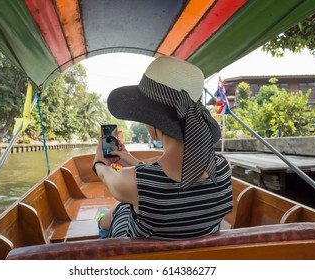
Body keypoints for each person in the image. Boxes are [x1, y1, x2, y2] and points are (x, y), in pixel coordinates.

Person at [92, 56, 233, 240]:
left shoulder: (133, 184)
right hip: (198, 258)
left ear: (154, 120)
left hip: (141, 260)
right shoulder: (224, 168)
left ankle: (102, 224)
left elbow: (107, 176)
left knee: (119, 209)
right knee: (130, 204)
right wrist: (133, 161)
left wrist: (98, 163)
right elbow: (172, 182)